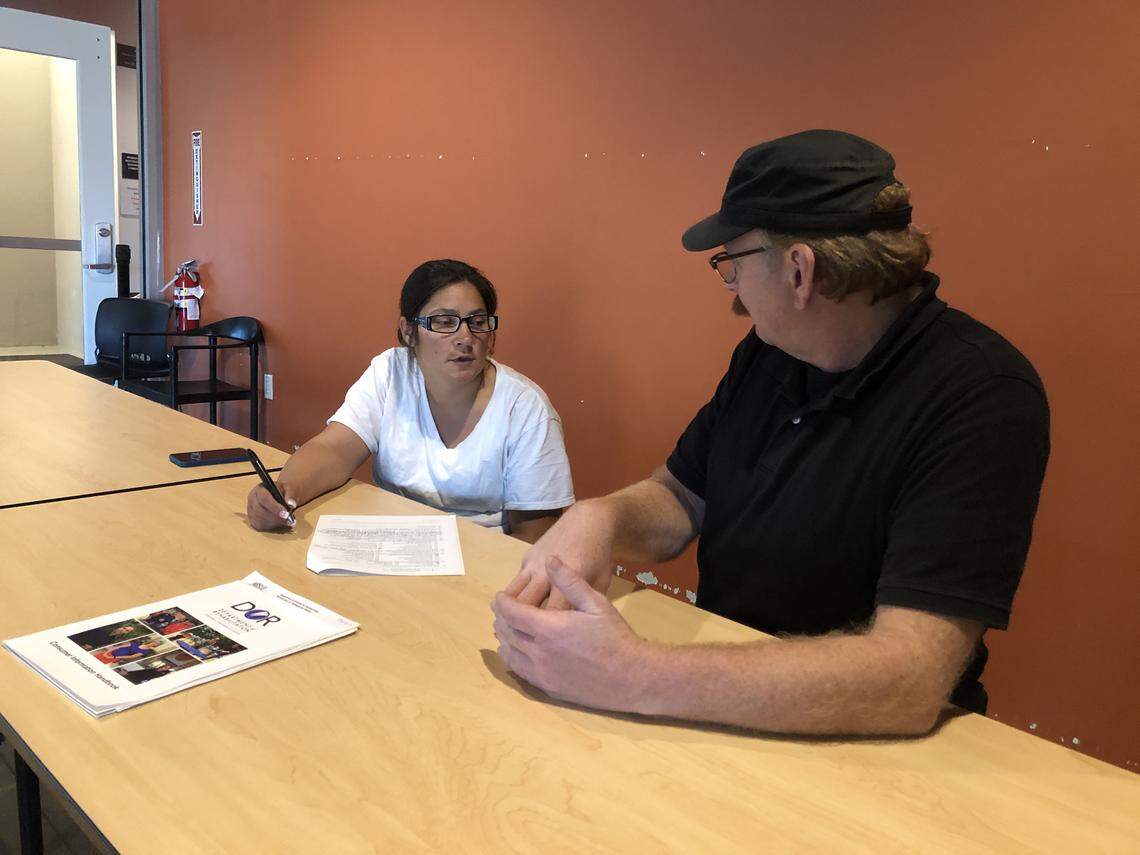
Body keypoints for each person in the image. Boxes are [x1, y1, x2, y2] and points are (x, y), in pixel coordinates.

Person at [492, 130, 1050, 736]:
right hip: (719, 707)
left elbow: (910, 676)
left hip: (867, 752)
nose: (729, 286)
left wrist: (631, 673)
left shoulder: (980, 393)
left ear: (799, 269)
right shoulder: (768, 354)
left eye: (731, 262)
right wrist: (600, 518)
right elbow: (681, 497)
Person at [246, 259, 574, 542]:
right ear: (407, 331)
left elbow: (535, 538)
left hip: (481, 567)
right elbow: (333, 449)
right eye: (444, 322)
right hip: (390, 548)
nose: (465, 339)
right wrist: (283, 494)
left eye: (477, 322)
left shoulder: (526, 408)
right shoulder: (391, 372)